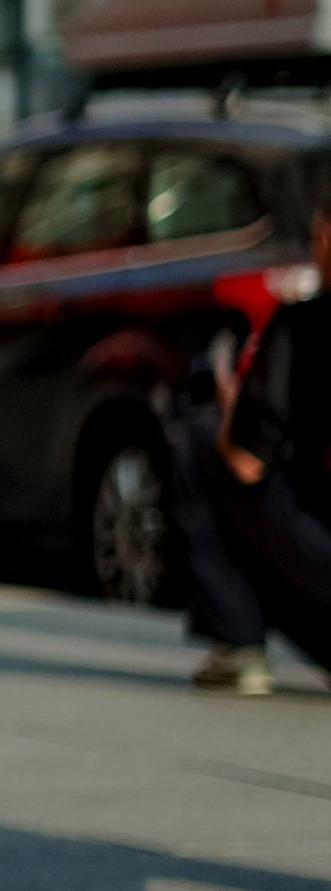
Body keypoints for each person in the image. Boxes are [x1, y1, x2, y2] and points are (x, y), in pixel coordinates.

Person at [173, 189, 331, 695]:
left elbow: (245, 461)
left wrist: (232, 408)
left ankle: (239, 650)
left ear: (326, 236)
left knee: (197, 438)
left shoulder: (306, 323)